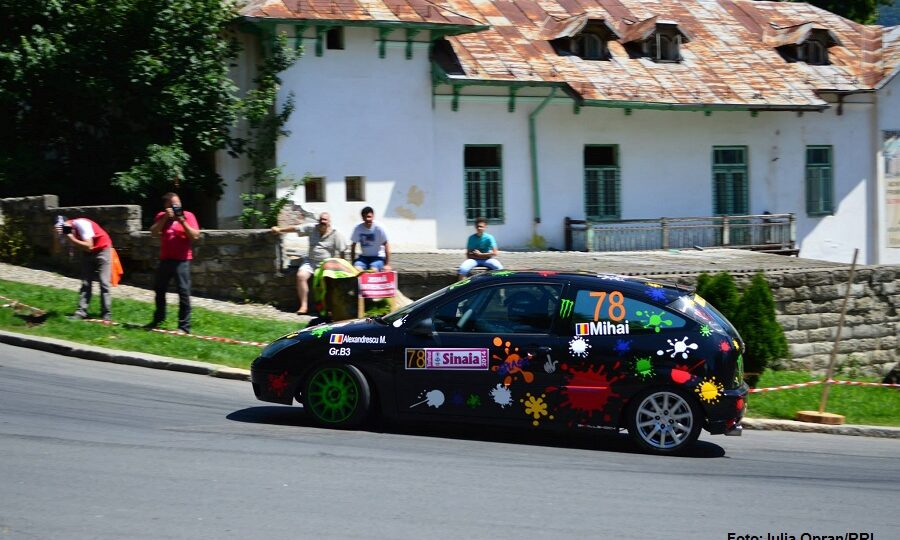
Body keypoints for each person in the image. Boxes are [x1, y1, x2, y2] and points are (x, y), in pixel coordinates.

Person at [271, 212, 347, 314]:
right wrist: (280, 230)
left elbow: (342, 251)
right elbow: (296, 228)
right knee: (300, 276)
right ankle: (304, 306)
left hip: (325, 264)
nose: (322, 222)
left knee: (328, 282)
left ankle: (329, 308)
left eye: (325, 220)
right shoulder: (312, 228)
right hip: (310, 261)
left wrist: (343, 267)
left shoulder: (335, 234)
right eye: (321, 220)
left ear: (329, 222)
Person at [147, 192, 201, 333]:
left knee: (183, 293)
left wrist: (182, 221)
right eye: (173, 205)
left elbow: (195, 235)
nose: (177, 207)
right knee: (159, 290)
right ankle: (159, 320)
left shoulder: (188, 216)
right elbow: (153, 232)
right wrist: (165, 218)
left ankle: (184, 326)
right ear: (166, 206)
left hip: (182, 261)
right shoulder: (161, 217)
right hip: (165, 260)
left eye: (178, 204)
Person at [54, 217, 114, 320]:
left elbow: (89, 246)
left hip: (103, 248)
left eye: (65, 228)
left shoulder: (81, 224)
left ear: (69, 223)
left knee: (104, 282)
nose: (64, 231)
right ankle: (81, 313)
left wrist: (70, 237)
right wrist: (56, 236)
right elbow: (56, 251)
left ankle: (106, 314)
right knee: (85, 283)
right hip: (87, 252)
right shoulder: (66, 228)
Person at [350, 206, 390, 272]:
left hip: (378, 258)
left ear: (373, 216)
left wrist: (387, 264)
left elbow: (386, 244)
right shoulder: (358, 228)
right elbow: (353, 245)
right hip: (364, 257)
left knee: (373, 269)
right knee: (356, 268)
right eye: (365, 217)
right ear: (362, 218)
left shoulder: (379, 228)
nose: (367, 219)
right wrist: (353, 261)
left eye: (369, 216)